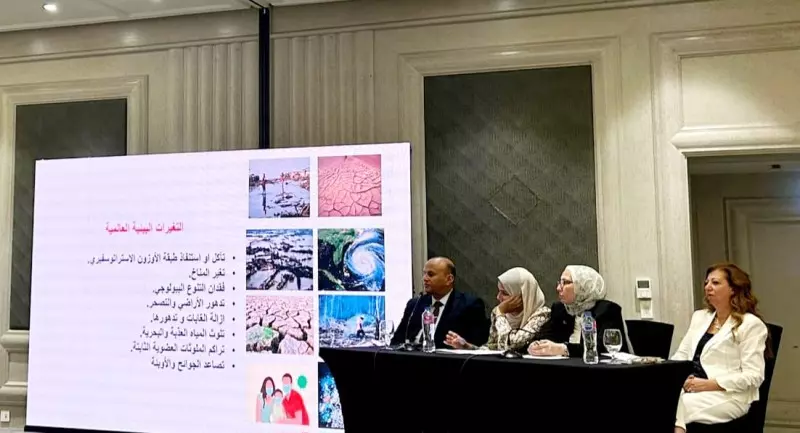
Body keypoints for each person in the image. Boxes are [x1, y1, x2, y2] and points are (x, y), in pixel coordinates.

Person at [671, 263, 770, 433]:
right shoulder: (700, 317)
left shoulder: (751, 324)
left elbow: (754, 376)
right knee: (655, 399)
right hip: (690, 388)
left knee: (678, 407)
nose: (708, 287)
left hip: (729, 396)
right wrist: (675, 377)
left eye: (715, 283)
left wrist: (708, 384)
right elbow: (682, 354)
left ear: (733, 289)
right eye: (706, 283)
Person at [528, 264, 630, 357]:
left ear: (583, 286)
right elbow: (545, 336)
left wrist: (564, 349)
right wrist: (537, 344)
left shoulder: (607, 310)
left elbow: (602, 348)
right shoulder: (560, 309)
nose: (558, 288)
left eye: (565, 282)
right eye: (560, 282)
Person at [391, 257, 489, 348]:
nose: (425, 278)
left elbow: (479, 345)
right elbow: (396, 341)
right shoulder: (415, 304)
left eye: (431, 274)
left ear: (449, 279)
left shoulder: (469, 305)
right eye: (424, 274)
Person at [443, 267, 550, 351]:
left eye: (504, 293)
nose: (498, 297)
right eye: (499, 291)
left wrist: (500, 314)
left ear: (523, 296)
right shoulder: (502, 314)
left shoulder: (542, 314)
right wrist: (467, 346)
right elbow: (493, 349)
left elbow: (511, 345)